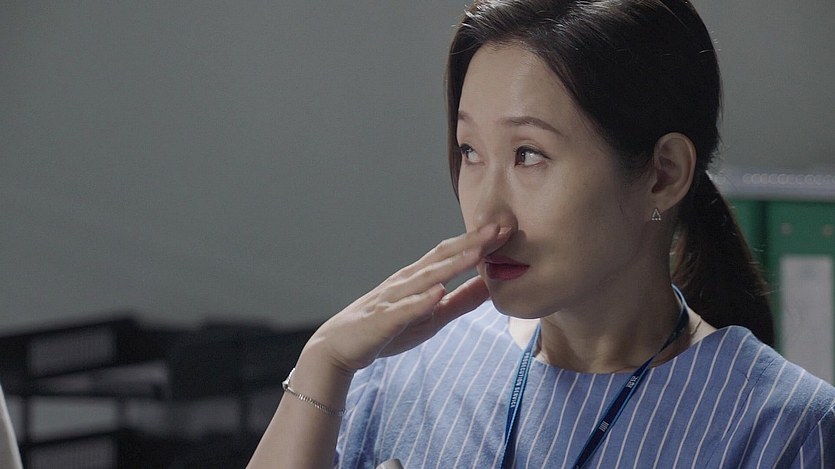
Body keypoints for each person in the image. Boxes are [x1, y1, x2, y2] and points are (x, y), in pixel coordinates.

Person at [248, 0, 835, 467]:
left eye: (528, 154)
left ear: (663, 174)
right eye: (469, 151)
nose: (487, 214)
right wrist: (323, 362)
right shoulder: (403, 369)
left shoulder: (782, 429)